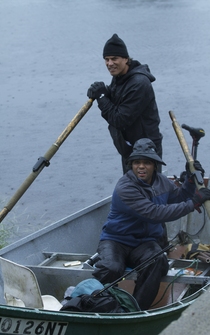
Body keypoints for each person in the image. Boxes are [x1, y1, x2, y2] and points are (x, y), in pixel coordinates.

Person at [92, 138, 210, 310]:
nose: (141, 166)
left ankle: (135, 310)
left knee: (157, 262)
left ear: (155, 165)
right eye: (137, 162)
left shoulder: (162, 182)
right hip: (116, 240)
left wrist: (190, 182)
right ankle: (100, 304)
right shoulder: (125, 187)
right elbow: (155, 213)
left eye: (146, 162)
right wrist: (193, 204)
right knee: (111, 268)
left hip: (144, 242)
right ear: (131, 165)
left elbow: (180, 197)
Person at [87, 33, 163, 174]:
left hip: (146, 154)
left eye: (114, 58)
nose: (110, 64)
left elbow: (120, 119)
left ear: (126, 59)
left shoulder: (139, 83)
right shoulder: (120, 77)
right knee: (130, 193)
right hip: (130, 149)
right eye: (106, 59)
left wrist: (102, 97)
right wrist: (102, 91)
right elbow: (118, 101)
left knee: (147, 194)